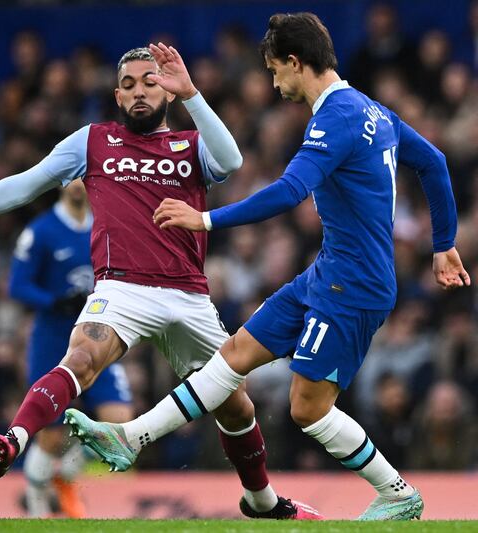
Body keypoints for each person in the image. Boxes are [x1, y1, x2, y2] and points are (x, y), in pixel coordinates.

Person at [64, 13, 470, 521]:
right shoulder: (369, 108)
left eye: (277, 71)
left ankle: (397, 492)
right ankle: (130, 437)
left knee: (307, 408)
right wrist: (444, 243)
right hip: (329, 271)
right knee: (234, 353)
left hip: (355, 285)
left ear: (297, 64)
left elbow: (289, 191)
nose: (275, 83)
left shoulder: (335, 117)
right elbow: (432, 160)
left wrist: (204, 219)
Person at [0, 43, 321, 520]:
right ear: (117, 98)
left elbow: (232, 162)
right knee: (82, 356)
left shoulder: (188, 143)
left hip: (188, 294)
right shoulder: (93, 141)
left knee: (237, 408)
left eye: (148, 82)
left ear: (165, 91)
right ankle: (13, 439)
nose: (139, 91)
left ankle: (262, 501)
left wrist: (192, 93)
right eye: (127, 86)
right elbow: (25, 183)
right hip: (121, 287)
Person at [9, 181, 133, 517]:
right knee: (50, 435)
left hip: (99, 337)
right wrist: (55, 302)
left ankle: (65, 474)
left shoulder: (107, 226)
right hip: (53, 341)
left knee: (119, 422)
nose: (78, 183)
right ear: (61, 182)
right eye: (72, 176)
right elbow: (17, 285)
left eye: (84, 175)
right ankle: (37, 509)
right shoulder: (40, 231)